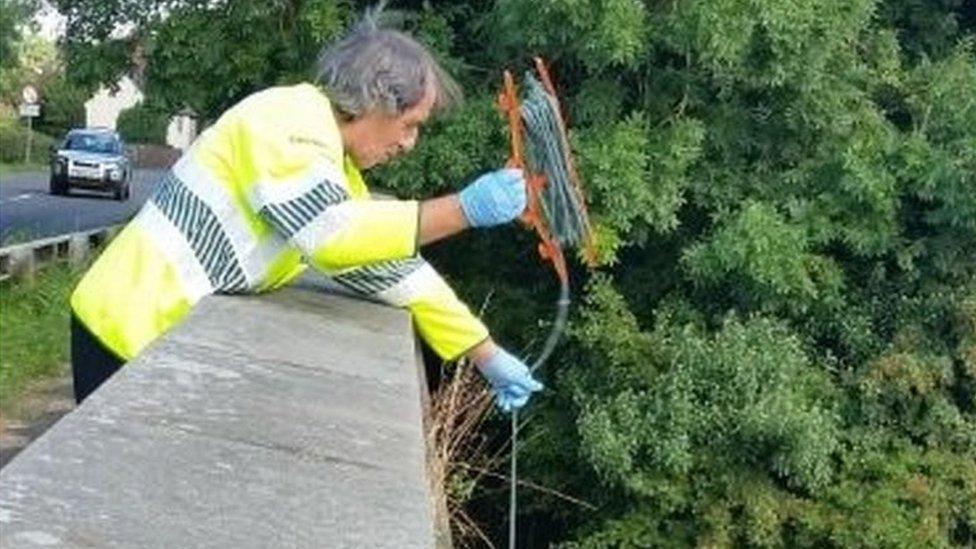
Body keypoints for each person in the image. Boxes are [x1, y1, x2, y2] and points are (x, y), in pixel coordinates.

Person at [69, 11, 544, 413]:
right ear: (376, 98)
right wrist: (464, 210)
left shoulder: (331, 163)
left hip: (156, 328)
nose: (409, 143)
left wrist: (484, 353)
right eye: (410, 125)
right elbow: (331, 234)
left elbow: (384, 265)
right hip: (126, 326)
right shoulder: (287, 121)